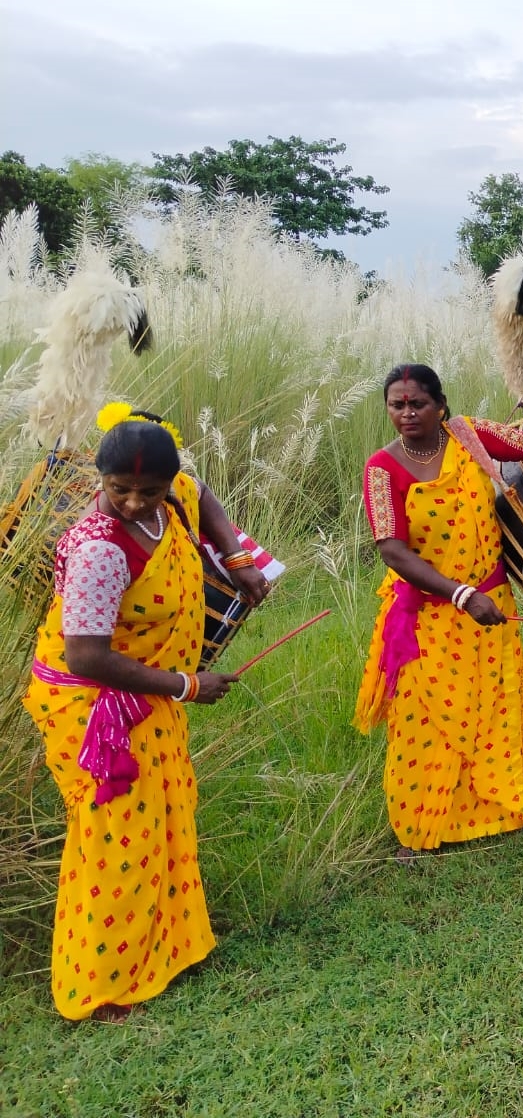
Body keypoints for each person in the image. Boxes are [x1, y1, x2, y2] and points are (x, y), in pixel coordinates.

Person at [21, 413, 266, 1022]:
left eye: (149, 492)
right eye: (117, 490)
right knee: (115, 835)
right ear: (99, 481)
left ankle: (170, 946)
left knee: (162, 816)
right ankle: (101, 984)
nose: (133, 502)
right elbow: (86, 655)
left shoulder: (174, 497)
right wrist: (185, 684)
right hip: (95, 708)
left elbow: (201, 493)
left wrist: (234, 556)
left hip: (146, 700)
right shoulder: (100, 550)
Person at [353, 364, 523, 864]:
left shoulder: (471, 436)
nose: (406, 414)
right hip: (430, 612)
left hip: (491, 605)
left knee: (495, 706)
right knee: (423, 722)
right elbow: (392, 549)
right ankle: (420, 828)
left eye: (417, 404)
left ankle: (502, 812)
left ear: (440, 405)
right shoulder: (382, 468)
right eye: (397, 405)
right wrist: (462, 595)